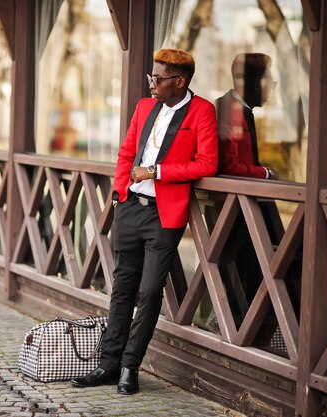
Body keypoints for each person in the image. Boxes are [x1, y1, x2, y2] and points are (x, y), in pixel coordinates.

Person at [71, 49, 218, 394]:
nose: (152, 84)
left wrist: (157, 172)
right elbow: (125, 152)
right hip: (130, 208)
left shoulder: (202, 112)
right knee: (122, 288)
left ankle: (129, 366)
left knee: (150, 291)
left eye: (158, 78)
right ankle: (108, 364)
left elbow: (207, 164)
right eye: (152, 77)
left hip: (164, 214)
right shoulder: (144, 107)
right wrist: (121, 191)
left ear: (179, 82)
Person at [216, 53, 278, 179]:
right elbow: (230, 167)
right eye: (271, 84)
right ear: (257, 85)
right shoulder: (229, 111)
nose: (272, 90)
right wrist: (266, 173)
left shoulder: (236, 107)